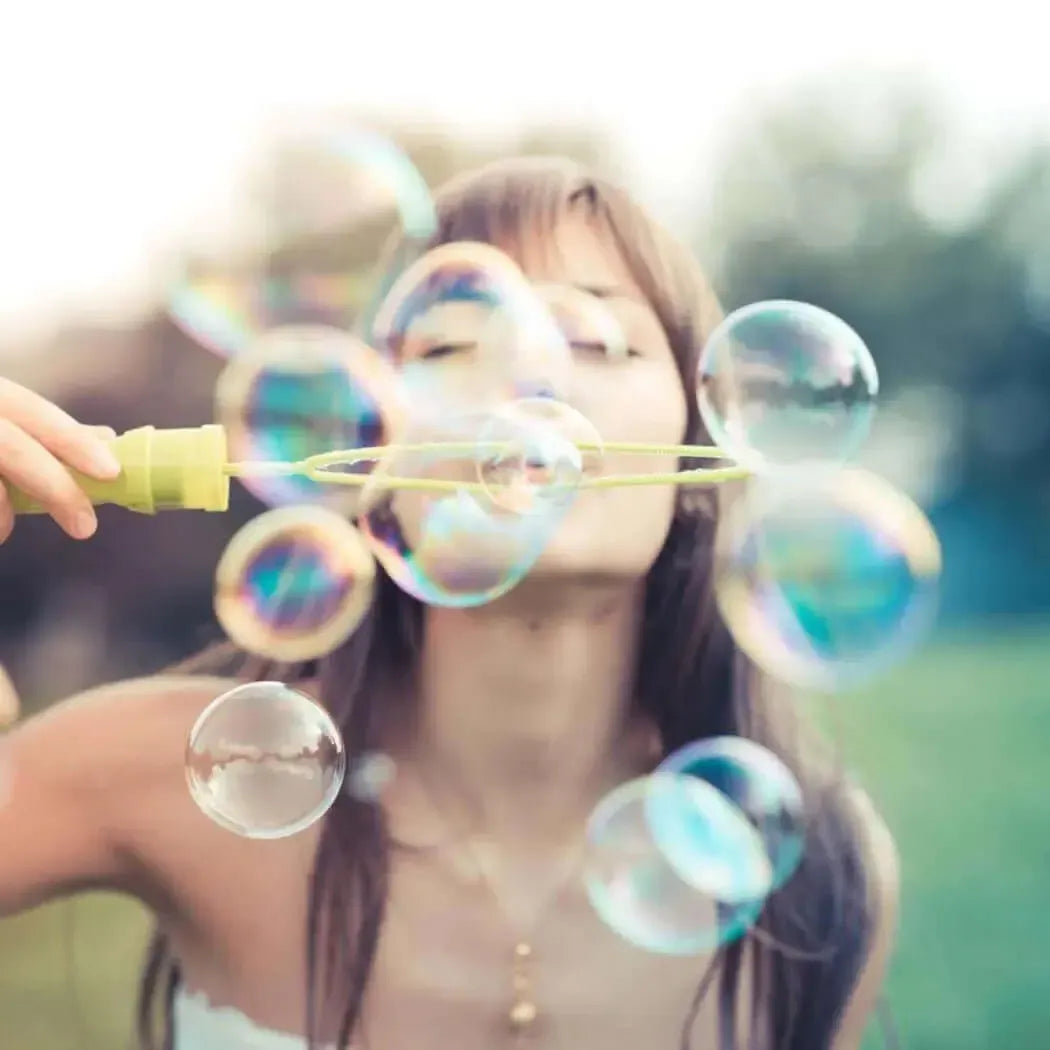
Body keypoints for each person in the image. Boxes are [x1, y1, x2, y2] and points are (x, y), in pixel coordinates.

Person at [0, 156, 899, 1050]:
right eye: (453, 348)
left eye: (600, 342)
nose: (535, 392)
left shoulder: (815, 862)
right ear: (371, 466)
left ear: (699, 456)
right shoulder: (172, 768)